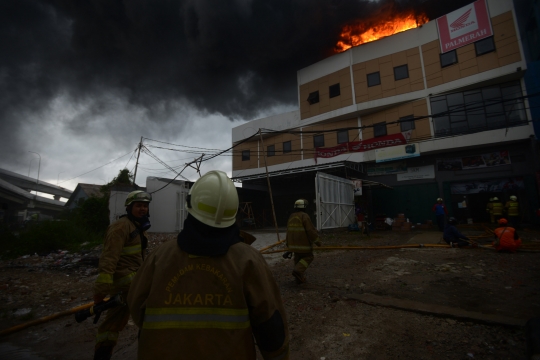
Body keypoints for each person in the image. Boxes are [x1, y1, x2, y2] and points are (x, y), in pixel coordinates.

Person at [127, 170, 289, 360]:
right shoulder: (249, 260)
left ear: (190, 204)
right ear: (233, 211)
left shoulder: (159, 257)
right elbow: (272, 329)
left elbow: (137, 308)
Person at [93, 190, 152, 360]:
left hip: (134, 284)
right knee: (112, 325)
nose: (143, 209)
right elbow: (108, 259)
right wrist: (100, 291)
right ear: (129, 207)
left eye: (145, 206)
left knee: (145, 319)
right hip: (123, 287)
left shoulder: (138, 227)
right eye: (139, 206)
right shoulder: (120, 227)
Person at [286, 199, 321, 284]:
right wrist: (317, 242)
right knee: (308, 257)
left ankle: (299, 279)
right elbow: (310, 230)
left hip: (293, 246)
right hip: (303, 245)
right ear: (304, 207)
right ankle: (298, 271)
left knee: (298, 260)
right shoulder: (304, 216)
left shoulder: (291, 216)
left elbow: (288, 232)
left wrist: (288, 248)